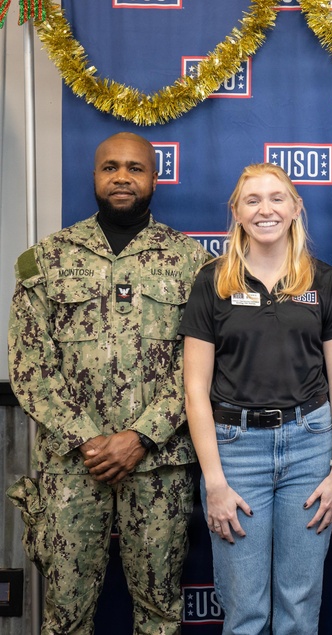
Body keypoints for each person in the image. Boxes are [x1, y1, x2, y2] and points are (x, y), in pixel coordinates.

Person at [5, 132, 209, 634]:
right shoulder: (47, 259)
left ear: (155, 179)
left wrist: (140, 436)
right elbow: (30, 365)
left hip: (159, 465)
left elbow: (201, 363)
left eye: (136, 168)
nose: (123, 177)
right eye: (111, 167)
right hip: (72, 466)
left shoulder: (192, 261)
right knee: (65, 615)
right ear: (94, 176)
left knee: (160, 614)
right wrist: (91, 441)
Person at [180, 163, 332, 633]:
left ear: (296, 208)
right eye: (252, 200)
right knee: (245, 611)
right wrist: (214, 481)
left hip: (310, 448)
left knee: (299, 608)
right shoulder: (213, 281)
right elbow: (195, 390)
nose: (266, 209)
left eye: (277, 198)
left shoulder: (321, 280)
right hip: (236, 453)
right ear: (236, 212)